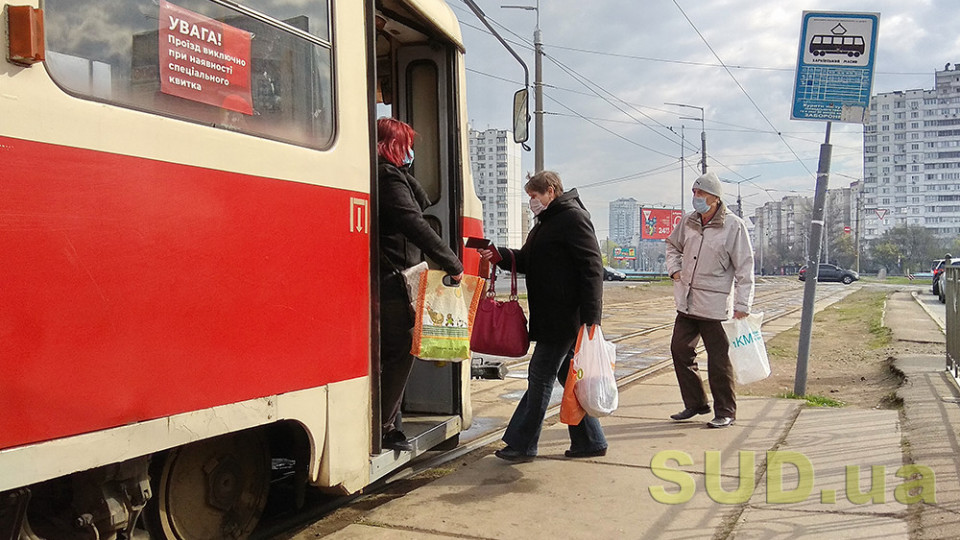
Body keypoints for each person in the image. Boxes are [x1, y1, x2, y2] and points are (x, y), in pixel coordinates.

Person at [478, 170, 607, 462]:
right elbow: (527, 260)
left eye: (534, 197)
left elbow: (592, 268)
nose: (531, 203)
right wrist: (498, 254)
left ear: (551, 191)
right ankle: (590, 440)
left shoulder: (573, 218)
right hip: (551, 315)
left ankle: (522, 444)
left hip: (565, 317)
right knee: (565, 375)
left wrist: (591, 320)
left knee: (539, 376)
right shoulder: (545, 223)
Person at [376, 117, 463, 451]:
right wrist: (452, 262)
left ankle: (390, 424)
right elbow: (415, 224)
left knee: (393, 348)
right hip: (393, 278)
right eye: (407, 144)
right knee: (403, 347)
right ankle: (384, 425)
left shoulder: (390, 177)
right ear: (395, 145)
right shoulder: (388, 177)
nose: (411, 152)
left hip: (392, 276)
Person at [665, 171, 755, 429]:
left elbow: (744, 268)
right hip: (687, 301)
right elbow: (672, 246)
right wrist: (674, 269)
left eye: (701, 193)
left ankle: (725, 411)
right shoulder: (688, 221)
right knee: (680, 350)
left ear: (715, 198)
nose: (696, 197)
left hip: (716, 308)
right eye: (694, 192)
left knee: (719, 361)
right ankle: (696, 403)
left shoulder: (733, 226)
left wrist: (742, 305)